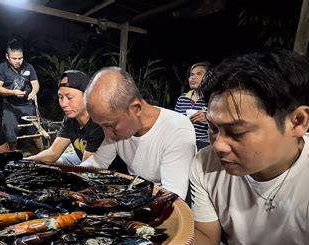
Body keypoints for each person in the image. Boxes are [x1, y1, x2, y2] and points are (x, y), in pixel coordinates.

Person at [183, 49, 309, 245]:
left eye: (237, 132)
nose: (219, 145)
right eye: (213, 128)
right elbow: (206, 242)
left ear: (297, 121)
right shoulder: (205, 163)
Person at [80, 67, 196, 199]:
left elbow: (172, 195)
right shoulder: (116, 128)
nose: (108, 135)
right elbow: (97, 163)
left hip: (161, 202)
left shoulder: (177, 130)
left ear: (136, 109)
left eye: (110, 125)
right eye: (101, 126)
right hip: (135, 191)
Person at [28, 70, 104, 165]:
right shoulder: (70, 119)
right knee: (54, 162)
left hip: (106, 170)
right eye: (60, 97)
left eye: (70, 97)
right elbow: (53, 152)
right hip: (83, 159)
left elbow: (87, 166)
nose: (64, 104)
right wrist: (26, 161)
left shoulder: (98, 122)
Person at [0, 39, 43, 152]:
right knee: (10, 134)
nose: (18, 61)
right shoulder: (0, 68)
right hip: (10, 106)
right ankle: (11, 157)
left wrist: (34, 92)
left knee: (36, 131)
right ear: (7, 56)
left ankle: (43, 152)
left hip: (28, 105)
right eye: (14, 58)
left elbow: (35, 84)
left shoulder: (29, 67)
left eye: (20, 58)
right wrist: (13, 92)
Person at [174, 61, 211, 150]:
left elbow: (223, 123)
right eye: (192, 74)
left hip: (204, 143)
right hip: (182, 141)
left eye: (199, 74)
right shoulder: (182, 99)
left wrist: (208, 118)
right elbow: (173, 121)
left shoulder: (212, 99)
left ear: (208, 77)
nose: (193, 77)